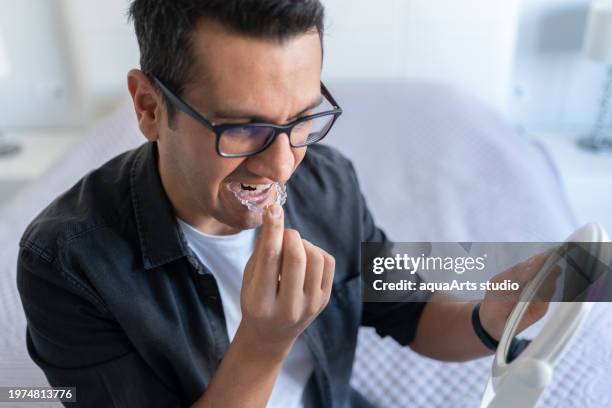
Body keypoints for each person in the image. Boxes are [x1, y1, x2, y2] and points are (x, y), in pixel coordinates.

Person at [16, 1, 551, 407]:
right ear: (150, 107)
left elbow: (410, 310)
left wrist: (493, 314)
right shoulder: (65, 262)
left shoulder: (329, 182)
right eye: (244, 128)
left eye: (301, 121)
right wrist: (264, 342)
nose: (281, 167)